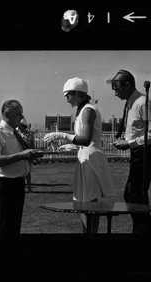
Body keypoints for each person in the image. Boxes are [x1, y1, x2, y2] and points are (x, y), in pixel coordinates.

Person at [45, 77, 119, 233]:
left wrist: (62, 135)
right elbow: (84, 140)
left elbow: (86, 139)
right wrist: (71, 145)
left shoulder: (88, 110)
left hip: (91, 159)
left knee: (90, 202)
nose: (67, 99)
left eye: (68, 95)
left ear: (78, 94)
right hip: (85, 156)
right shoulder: (83, 110)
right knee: (83, 201)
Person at [110, 69, 151, 234]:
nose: (115, 93)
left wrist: (130, 143)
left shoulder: (142, 103)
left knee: (132, 194)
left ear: (128, 85)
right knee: (138, 196)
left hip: (148, 151)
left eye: (117, 88)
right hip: (139, 151)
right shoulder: (130, 103)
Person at [0, 99, 43, 237]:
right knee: (3, 229)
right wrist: (21, 155)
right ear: (8, 113)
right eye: (19, 114)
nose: (22, 117)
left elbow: (18, 154)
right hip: (3, 186)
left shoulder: (13, 133)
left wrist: (29, 155)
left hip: (16, 184)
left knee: (13, 228)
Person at [18, 119, 36, 193]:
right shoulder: (17, 133)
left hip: (27, 154)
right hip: (19, 154)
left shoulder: (29, 134)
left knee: (27, 171)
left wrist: (32, 154)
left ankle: (29, 187)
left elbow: (31, 144)